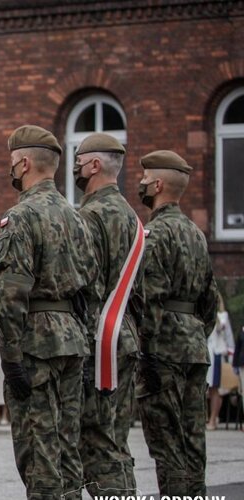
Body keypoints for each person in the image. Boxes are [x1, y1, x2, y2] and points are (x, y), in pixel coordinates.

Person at [0, 125, 95, 498]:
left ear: (23, 163)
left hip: (36, 343)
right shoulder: (77, 217)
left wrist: (10, 357)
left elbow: (10, 293)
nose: (11, 170)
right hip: (72, 340)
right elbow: (90, 288)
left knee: (38, 453)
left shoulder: (21, 217)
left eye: (12, 163)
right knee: (68, 448)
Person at [136, 150, 218, 495]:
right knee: (193, 440)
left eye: (143, 179)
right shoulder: (196, 234)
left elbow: (149, 297)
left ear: (157, 184)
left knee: (167, 442)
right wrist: (197, 333)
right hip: (195, 346)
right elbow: (210, 299)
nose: (139, 184)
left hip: (164, 349)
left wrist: (146, 350)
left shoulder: (155, 233)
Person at [73, 132, 142, 495]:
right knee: (115, 440)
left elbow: (82, 281)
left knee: (97, 444)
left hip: (99, 338)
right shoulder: (132, 217)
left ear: (94, 165)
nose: (76, 169)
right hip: (125, 335)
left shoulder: (90, 215)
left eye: (79, 161)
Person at [207, 295, 234, 430]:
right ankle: (209, 418)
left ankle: (213, 418)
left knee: (216, 389)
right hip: (206, 353)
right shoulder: (203, 313)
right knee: (206, 389)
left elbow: (229, 337)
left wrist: (231, 356)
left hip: (217, 355)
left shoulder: (223, 317)